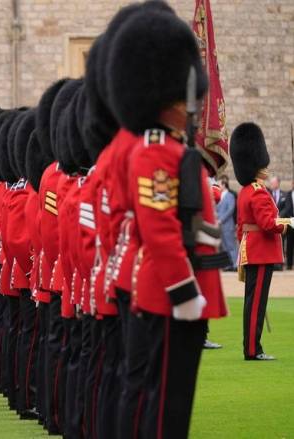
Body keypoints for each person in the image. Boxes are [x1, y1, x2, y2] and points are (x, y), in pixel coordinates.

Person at [107, 9, 228, 437]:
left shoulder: (173, 148)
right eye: (183, 96)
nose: (190, 104)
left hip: (181, 283)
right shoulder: (156, 151)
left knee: (173, 399)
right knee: (165, 405)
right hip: (169, 291)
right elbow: (160, 229)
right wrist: (184, 290)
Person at [231, 122, 286, 361]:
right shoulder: (258, 192)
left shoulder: (246, 191)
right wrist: (289, 223)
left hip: (251, 249)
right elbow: (269, 224)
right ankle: (253, 349)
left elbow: (240, 227)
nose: (266, 169)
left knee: (252, 302)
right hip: (261, 251)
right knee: (255, 305)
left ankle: (252, 347)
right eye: (263, 165)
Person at [217, 178, 238, 270]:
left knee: (231, 245)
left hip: (228, 224)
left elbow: (230, 209)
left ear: (224, 185)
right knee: (224, 246)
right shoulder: (219, 196)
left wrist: (221, 219)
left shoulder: (230, 196)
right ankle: (228, 264)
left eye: (219, 184)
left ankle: (235, 264)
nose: (218, 186)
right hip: (220, 225)